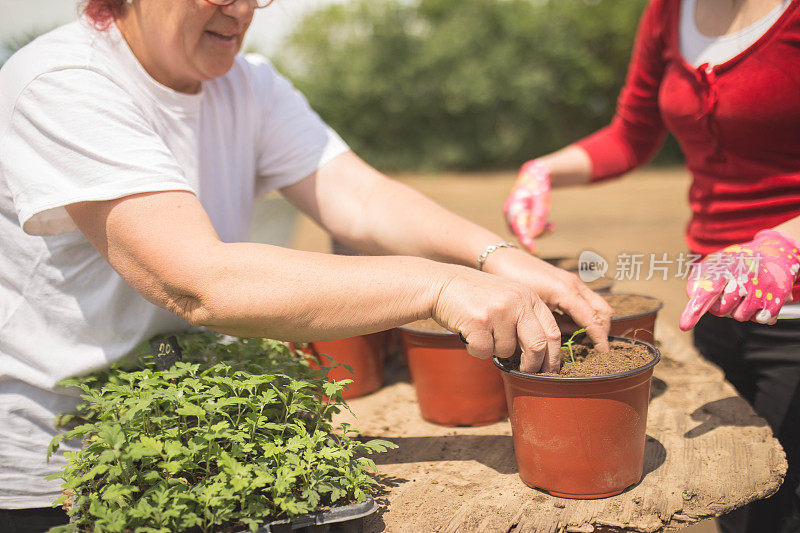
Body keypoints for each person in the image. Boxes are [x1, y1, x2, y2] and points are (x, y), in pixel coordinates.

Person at [0, 0, 613, 528]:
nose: (240, 9)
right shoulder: (63, 81)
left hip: (183, 435)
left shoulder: (250, 83)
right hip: (58, 468)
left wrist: (497, 256)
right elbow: (197, 282)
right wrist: (443, 284)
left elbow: (361, 198)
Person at [504, 0, 800, 531]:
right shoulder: (666, 13)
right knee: (736, 498)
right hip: (715, 299)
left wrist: (785, 245)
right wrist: (544, 170)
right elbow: (630, 134)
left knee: (774, 505)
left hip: (795, 314)